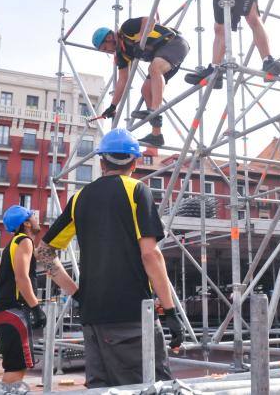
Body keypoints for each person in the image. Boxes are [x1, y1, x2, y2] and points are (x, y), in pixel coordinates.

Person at [35, 128, 184, 389]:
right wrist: (170, 311)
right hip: (132, 319)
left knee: (102, 390)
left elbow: (43, 252)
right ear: (135, 163)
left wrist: (77, 293)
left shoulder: (79, 198)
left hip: (93, 320)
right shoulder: (137, 190)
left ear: (101, 162)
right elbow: (150, 254)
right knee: (149, 389)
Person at [92, 17, 190, 148]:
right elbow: (123, 80)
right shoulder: (122, 55)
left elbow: (149, 20)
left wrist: (139, 40)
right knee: (145, 90)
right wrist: (113, 106)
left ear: (109, 38)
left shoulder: (126, 28)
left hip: (174, 43)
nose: (108, 51)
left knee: (154, 68)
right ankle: (157, 135)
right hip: (163, 57)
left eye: (105, 48)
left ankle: (154, 110)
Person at [0, 205, 47, 384]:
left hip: (1, 314)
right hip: (14, 314)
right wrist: (36, 307)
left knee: (12, 366)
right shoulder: (24, 241)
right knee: (16, 369)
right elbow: (21, 277)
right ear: (27, 224)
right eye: (32, 216)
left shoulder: (11, 246)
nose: (36, 219)